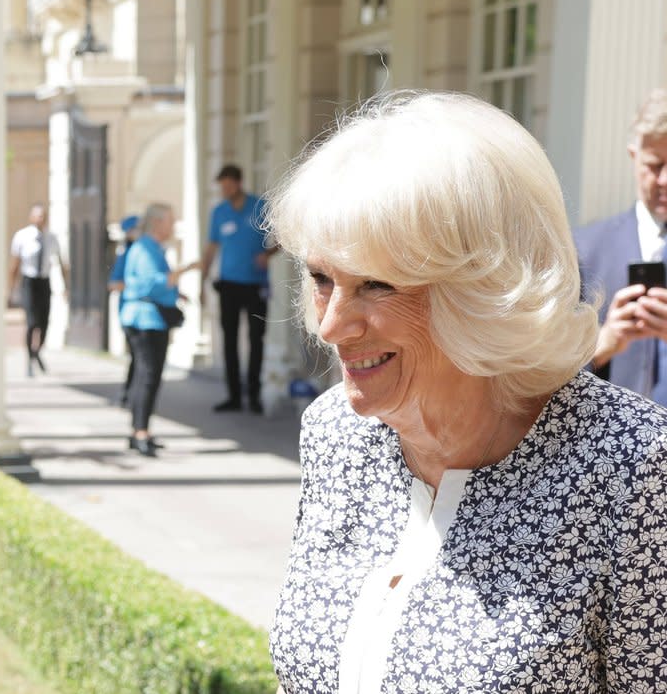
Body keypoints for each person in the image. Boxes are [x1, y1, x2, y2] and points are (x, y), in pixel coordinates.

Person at [267, 91, 667, 691]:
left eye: (377, 284)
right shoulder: (335, 435)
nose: (331, 325)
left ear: (486, 292)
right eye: (323, 279)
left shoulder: (633, 468)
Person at [575, 88, 667, 406]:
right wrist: (605, 342)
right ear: (634, 157)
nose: (666, 179)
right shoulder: (585, 250)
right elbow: (544, 378)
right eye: (656, 165)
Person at [200, 164, 278, 413]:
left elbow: (284, 236)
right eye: (222, 187)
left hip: (255, 284)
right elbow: (211, 248)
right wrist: (202, 281)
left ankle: (254, 396)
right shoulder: (219, 212)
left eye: (228, 185)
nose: (225, 190)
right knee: (230, 341)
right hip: (229, 285)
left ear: (239, 183)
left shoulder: (259, 206)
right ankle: (234, 396)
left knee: (256, 340)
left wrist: (268, 254)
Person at [120, 204, 197, 456]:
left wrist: (178, 292)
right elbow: (153, 284)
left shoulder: (148, 247)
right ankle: (140, 432)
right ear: (158, 223)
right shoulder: (146, 248)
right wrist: (186, 270)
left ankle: (139, 431)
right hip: (146, 320)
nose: (173, 226)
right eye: (171, 221)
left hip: (145, 318)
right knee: (148, 376)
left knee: (146, 375)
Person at [9, 203, 67, 376]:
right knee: (31, 322)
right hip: (29, 282)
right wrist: (11, 289)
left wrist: (65, 287)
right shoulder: (22, 236)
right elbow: (15, 265)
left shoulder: (52, 238)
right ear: (31, 217)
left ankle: (36, 352)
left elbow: (62, 263)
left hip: (44, 281)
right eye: (37, 215)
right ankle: (29, 359)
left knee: (44, 322)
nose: (40, 219)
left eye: (43, 215)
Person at [108, 213, 141, 405]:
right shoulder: (126, 254)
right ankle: (130, 392)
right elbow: (114, 283)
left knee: (139, 358)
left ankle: (131, 392)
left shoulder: (146, 250)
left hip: (141, 314)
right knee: (138, 356)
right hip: (130, 313)